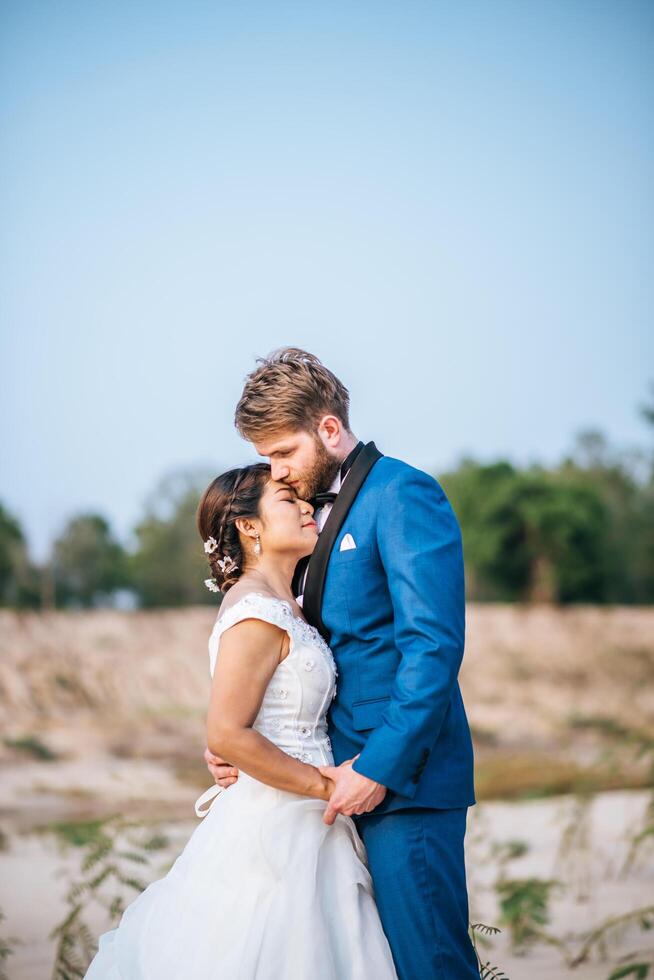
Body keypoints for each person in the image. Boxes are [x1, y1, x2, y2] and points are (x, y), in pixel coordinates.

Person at [206, 348, 480, 980]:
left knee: (430, 965)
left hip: (399, 784)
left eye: (283, 453)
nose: (275, 470)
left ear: (329, 430)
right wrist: (237, 734)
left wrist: (380, 767)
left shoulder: (403, 493)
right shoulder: (298, 524)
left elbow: (432, 646)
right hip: (323, 789)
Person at [85, 463, 398, 979]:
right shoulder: (255, 612)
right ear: (250, 527)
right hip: (280, 819)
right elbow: (227, 732)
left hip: (310, 813)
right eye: (287, 499)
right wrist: (327, 787)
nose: (306, 507)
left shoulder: (289, 605)